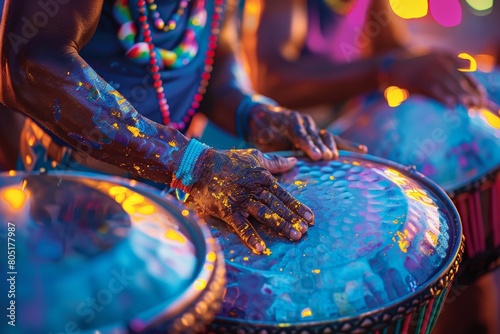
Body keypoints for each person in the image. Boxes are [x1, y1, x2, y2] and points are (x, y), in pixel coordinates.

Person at [0, 0, 367, 254]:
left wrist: (256, 115)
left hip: (174, 194)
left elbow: (216, 62)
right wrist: (194, 164)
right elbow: (31, 66)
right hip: (71, 198)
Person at [240, 0, 491, 125]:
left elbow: (398, 52)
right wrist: (389, 69)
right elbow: (272, 82)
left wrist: (433, 68)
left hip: (327, 140)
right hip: (255, 148)